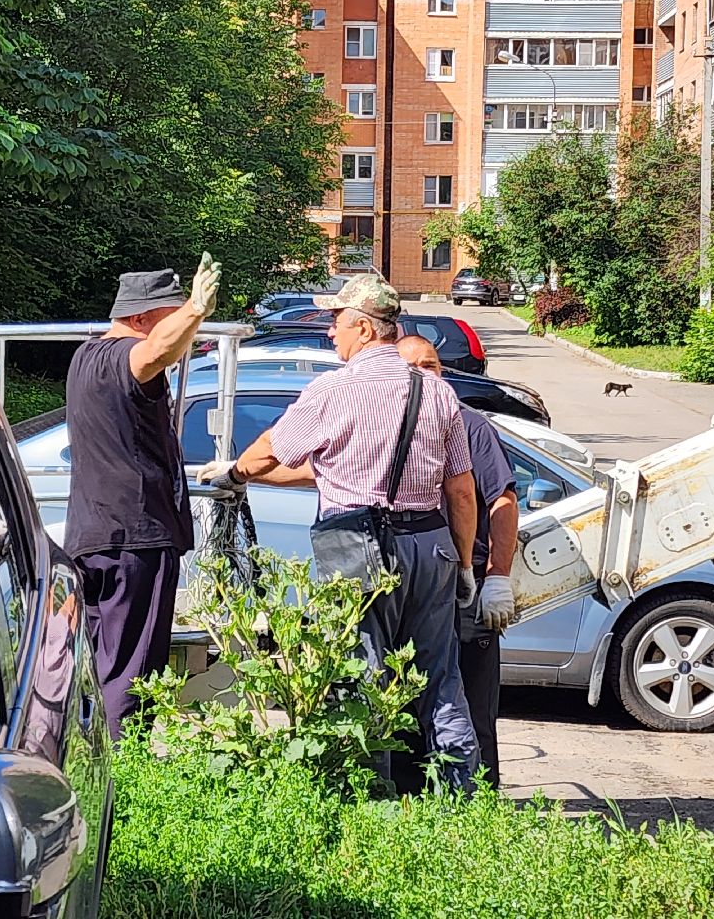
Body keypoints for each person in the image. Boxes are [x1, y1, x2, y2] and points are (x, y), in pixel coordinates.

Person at [197, 274, 482, 790]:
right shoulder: (437, 392)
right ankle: (461, 797)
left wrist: (235, 471)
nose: (330, 333)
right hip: (429, 543)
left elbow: (271, 449)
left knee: (360, 675)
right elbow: (461, 491)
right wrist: (464, 567)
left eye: (336, 322)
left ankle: (370, 804)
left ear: (364, 329)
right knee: (440, 678)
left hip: (355, 546)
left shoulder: (334, 390)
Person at [64, 254, 222, 738]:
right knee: (131, 676)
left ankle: (90, 764)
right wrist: (195, 308)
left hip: (94, 537)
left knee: (99, 668)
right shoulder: (124, 357)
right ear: (138, 318)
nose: (178, 326)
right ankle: (122, 782)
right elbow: (152, 353)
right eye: (167, 315)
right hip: (136, 539)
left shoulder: (84, 357)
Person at [397, 334, 518, 784]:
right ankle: (411, 806)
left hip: (466, 594)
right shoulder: (388, 425)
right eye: (414, 368)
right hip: (415, 586)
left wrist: (498, 577)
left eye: (431, 366)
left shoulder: (470, 425)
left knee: (471, 707)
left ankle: (479, 806)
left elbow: (500, 501)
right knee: (409, 704)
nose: (426, 375)